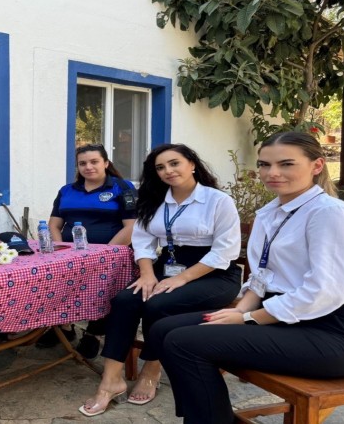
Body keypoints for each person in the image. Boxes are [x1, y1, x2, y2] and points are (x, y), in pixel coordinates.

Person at [151, 132, 344, 424]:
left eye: (286, 164)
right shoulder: (271, 212)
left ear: (317, 166)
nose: (273, 173)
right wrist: (240, 309)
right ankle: (206, 415)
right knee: (162, 329)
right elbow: (262, 275)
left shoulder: (329, 213)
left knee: (184, 343)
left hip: (329, 332)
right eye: (265, 165)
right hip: (280, 317)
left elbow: (324, 292)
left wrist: (249, 318)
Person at [79, 143, 241, 417]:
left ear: (192, 164)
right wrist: (147, 273)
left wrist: (183, 279)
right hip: (165, 267)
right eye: (161, 167)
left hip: (214, 273)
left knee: (157, 304)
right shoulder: (154, 199)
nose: (168, 171)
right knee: (125, 300)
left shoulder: (217, 200)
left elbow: (226, 251)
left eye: (174, 163)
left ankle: (151, 368)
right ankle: (111, 380)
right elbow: (142, 241)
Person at [40, 143, 137, 357]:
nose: (88, 167)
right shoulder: (66, 191)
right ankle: (64, 327)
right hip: (68, 255)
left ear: (106, 163)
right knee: (62, 289)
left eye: (94, 161)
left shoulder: (122, 187)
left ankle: (94, 334)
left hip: (110, 256)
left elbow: (132, 226)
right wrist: (58, 250)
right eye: (82, 163)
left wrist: (104, 255)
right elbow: (54, 225)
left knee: (102, 294)